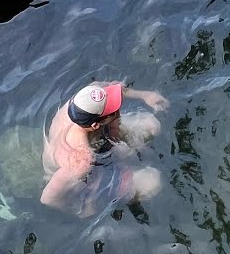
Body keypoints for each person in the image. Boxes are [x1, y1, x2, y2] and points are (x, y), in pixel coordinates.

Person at [41, 81, 168, 214]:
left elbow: (109, 87)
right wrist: (81, 211)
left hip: (96, 139)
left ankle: (125, 152)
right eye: (112, 110)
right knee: (153, 180)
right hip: (83, 179)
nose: (118, 110)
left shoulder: (84, 100)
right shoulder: (79, 162)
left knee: (152, 125)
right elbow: (48, 198)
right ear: (95, 125)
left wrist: (145, 95)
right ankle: (126, 196)